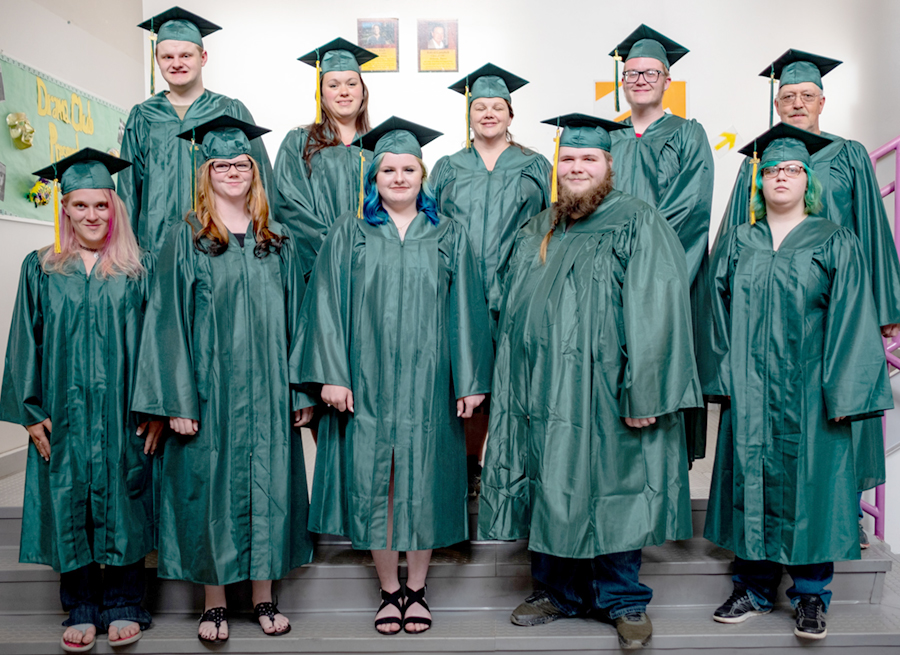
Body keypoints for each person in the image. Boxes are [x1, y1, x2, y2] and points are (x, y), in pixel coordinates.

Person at [481, 114, 701, 650]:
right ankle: (556, 593)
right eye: (568, 159)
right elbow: (509, 308)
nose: (576, 167)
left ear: (608, 165)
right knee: (550, 482)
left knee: (615, 486)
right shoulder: (540, 227)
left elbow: (658, 310)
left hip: (609, 388)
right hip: (543, 389)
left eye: (588, 159)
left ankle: (622, 599)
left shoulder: (637, 220)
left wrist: (645, 390)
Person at [298, 117, 493, 635]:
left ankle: (418, 588)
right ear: (374, 176)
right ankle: (390, 591)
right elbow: (325, 303)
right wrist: (331, 375)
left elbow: (467, 306)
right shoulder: (350, 231)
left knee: (424, 481)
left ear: (422, 174)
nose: (399, 178)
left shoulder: (449, 232)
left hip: (431, 381)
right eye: (389, 170)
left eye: (409, 169)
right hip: (367, 380)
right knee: (378, 484)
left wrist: (470, 380)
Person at [700, 123, 893, 640]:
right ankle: (753, 588)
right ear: (759, 182)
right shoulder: (739, 241)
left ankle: (810, 596)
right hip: (750, 390)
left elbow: (852, 317)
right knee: (751, 483)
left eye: (792, 170)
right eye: (771, 170)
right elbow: (715, 316)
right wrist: (725, 378)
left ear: (808, 180)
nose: (781, 176)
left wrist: (844, 391)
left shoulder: (835, 240)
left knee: (813, 490)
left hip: (812, 392)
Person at [131, 117, 314, 643]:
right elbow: (166, 320)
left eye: (241, 164)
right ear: (206, 173)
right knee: (211, 489)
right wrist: (176, 400)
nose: (232, 172)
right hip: (209, 391)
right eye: (221, 166)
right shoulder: (187, 235)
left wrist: (300, 390)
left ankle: (263, 596)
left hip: (270, 390)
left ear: (255, 172)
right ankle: (213, 603)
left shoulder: (278, 239)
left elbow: (299, 322)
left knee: (269, 487)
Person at [716, 49, 900, 547]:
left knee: (840, 412)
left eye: (807, 95)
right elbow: (735, 236)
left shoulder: (849, 154)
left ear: (823, 101)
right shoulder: (761, 160)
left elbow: (872, 227)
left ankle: (842, 513)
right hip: (766, 310)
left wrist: (885, 307)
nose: (797, 103)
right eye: (788, 96)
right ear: (777, 104)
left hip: (838, 306)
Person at [0, 149, 159, 652]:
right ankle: (82, 605)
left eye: (101, 205)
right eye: (80, 205)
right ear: (64, 209)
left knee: (125, 497)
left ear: (115, 208)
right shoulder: (41, 268)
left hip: (124, 410)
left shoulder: (139, 268)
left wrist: (156, 407)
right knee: (69, 497)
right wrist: (29, 413)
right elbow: (24, 340)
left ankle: (125, 602)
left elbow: (159, 344)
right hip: (63, 410)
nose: (92, 216)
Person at [432, 63, 551, 499]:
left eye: (497, 107)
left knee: (516, 379)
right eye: (479, 106)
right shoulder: (447, 167)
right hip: (459, 289)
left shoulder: (535, 164)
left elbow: (551, 223)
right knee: (467, 378)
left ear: (510, 114)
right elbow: (431, 226)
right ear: (468, 114)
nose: (488, 113)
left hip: (518, 286)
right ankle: (469, 465)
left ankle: (516, 468)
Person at [608, 24, 715, 463]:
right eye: (632, 73)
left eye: (650, 73)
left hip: (669, 275)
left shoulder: (688, 134)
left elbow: (691, 208)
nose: (641, 80)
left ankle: (664, 481)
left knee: (663, 360)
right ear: (622, 80)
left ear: (667, 80)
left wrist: (643, 262)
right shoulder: (606, 137)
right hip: (610, 275)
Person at [119, 6, 273, 253]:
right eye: (167, 57)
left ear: (203, 58)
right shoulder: (142, 117)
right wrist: (128, 254)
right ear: (157, 59)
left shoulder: (229, 110)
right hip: (155, 249)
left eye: (186, 55)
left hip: (219, 248)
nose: (176, 64)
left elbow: (260, 180)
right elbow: (128, 191)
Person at [273, 38, 377, 279]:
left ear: (363, 91)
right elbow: (290, 208)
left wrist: (370, 253)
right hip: (320, 268)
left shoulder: (380, 146)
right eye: (333, 85)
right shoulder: (299, 143)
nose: (344, 91)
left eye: (352, 83)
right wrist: (335, 250)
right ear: (321, 93)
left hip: (373, 268)